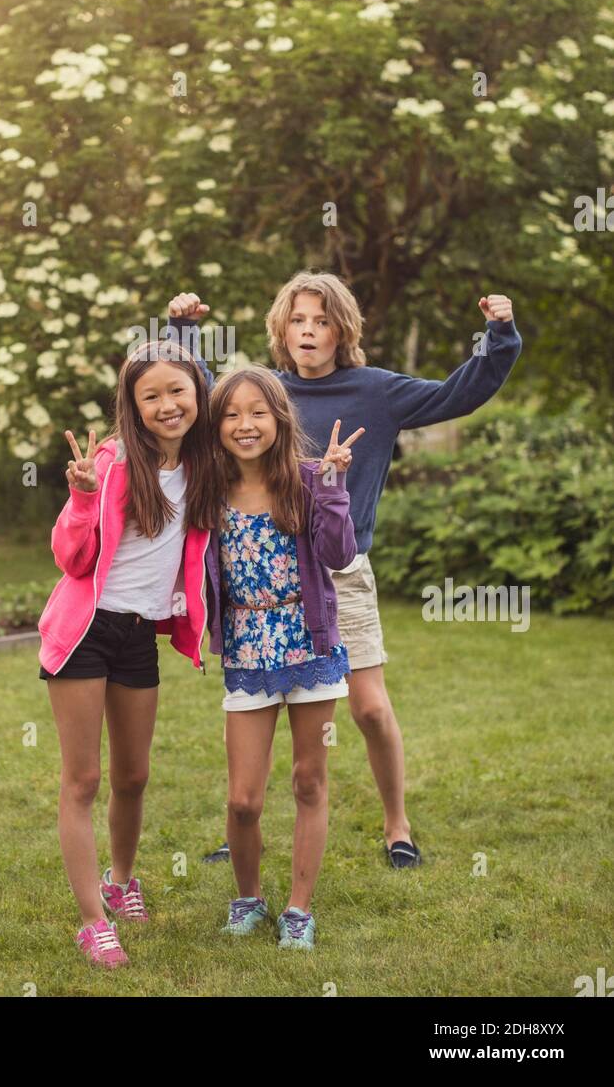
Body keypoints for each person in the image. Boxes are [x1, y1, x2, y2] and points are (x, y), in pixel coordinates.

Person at [167, 272, 522, 869]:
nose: (309, 331)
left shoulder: (376, 392)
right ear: (282, 328)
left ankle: (397, 823)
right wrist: (183, 332)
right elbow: (203, 402)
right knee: (262, 708)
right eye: (298, 320)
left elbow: (458, 393)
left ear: (342, 330)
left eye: (322, 321)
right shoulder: (267, 392)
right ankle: (243, 826)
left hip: (340, 573)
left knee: (369, 709)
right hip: (266, 573)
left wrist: (500, 334)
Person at [37, 339, 216, 966]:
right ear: (132, 405)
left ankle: (120, 880)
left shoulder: (204, 464)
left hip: (139, 634)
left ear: (199, 393)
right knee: (83, 779)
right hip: (86, 630)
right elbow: (71, 559)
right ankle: (92, 919)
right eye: (151, 396)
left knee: (134, 776)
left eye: (178, 391)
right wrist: (83, 497)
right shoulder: (111, 463)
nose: (167, 405)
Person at [204, 365, 362, 948]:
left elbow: (339, 555)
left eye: (258, 413)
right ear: (217, 425)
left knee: (308, 781)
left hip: (309, 645)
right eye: (231, 414)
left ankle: (298, 908)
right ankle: (247, 898)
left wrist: (334, 488)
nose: (245, 425)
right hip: (248, 650)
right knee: (242, 799)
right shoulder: (209, 488)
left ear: (279, 419)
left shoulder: (306, 478)